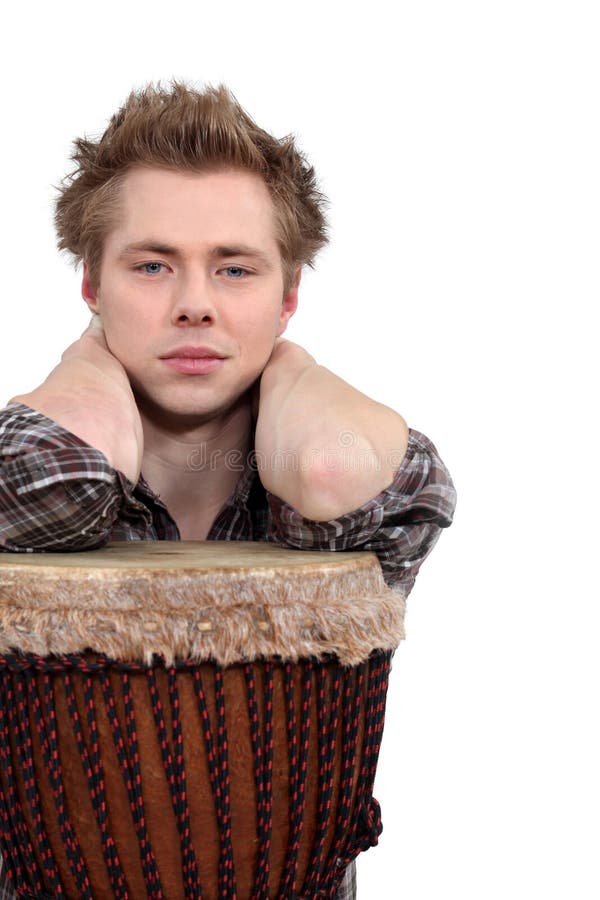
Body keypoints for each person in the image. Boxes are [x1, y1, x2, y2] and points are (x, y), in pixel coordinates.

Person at [0, 81, 456, 900]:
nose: (195, 306)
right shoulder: (29, 449)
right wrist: (86, 368)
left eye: (235, 269)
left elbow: (331, 472)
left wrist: (296, 369)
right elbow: (59, 485)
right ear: (90, 288)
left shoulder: (388, 482)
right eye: (151, 266)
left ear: (289, 299)